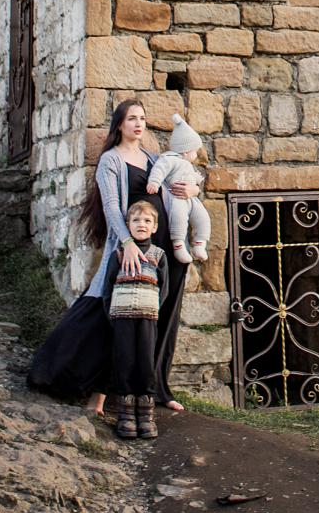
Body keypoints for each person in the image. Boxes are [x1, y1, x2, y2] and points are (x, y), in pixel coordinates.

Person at [26, 98, 201, 419]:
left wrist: (193, 191)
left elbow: (183, 185)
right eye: (132, 118)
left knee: (162, 318)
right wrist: (127, 245)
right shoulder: (111, 160)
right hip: (132, 252)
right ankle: (77, 382)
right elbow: (111, 207)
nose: (138, 124)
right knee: (112, 314)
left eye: (143, 118)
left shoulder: (153, 158)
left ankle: (156, 389)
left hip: (167, 252)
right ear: (119, 124)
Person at [106, 198, 166, 439]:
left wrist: (154, 309)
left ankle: (146, 412)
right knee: (125, 360)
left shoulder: (158, 255)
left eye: (147, 220)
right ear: (128, 225)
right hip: (122, 316)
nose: (142, 224)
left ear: (154, 227)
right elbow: (108, 286)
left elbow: (165, 289)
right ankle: (126, 413)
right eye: (136, 220)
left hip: (147, 316)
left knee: (145, 360)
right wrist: (111, 313)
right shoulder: (119, 254)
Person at [149, 114, 211, 263]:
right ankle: (178, 245)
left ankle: (200, 244)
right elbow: (159, 170)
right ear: (185, 150)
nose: (196, 155)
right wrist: (154, 182)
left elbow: (194, 180)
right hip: (176, 197)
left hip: (191, 198)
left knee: (203, 217)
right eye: (194, 151)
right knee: (179, 218)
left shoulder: (187, 164)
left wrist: (196, 185)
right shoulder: (170, 159)